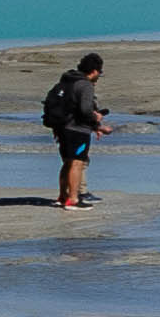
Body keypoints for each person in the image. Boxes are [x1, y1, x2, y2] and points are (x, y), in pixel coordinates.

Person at [41, 52, 107, 208]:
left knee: (67, 163)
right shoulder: (85, 85)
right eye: (99, 73)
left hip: (61, 128)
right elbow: (85, 110)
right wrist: (96, 119)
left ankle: (63, 196)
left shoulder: (65, 82)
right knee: (77, 163)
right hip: (77, 130)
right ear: (95, 71)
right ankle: (73, 199)